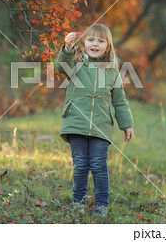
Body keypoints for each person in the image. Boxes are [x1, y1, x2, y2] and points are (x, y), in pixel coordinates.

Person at [55, 23, 134, 217]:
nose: (95, 44)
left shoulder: (112, 71)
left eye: (101, 41)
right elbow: (61, 67)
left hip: (101, 125)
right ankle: (78, 202)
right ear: (83, 44)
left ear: (108, 46)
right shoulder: (76, 66)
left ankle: (101, 204)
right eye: (91, 40)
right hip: (76, 123)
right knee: (80, 164)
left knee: (99, 165)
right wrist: (67, 49)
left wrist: (127, 124)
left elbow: (120, 100)